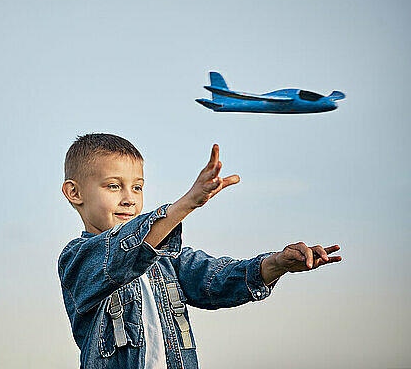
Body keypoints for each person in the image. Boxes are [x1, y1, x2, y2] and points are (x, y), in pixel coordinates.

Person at [58, 133, 342, 369]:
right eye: (113, 186)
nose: (129, 198)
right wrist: (187, 203)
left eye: (137, 187)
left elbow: (216, 279)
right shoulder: (77, 260)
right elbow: (122, 251)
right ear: (75, 193)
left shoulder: (167, 259)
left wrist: (277, 263)